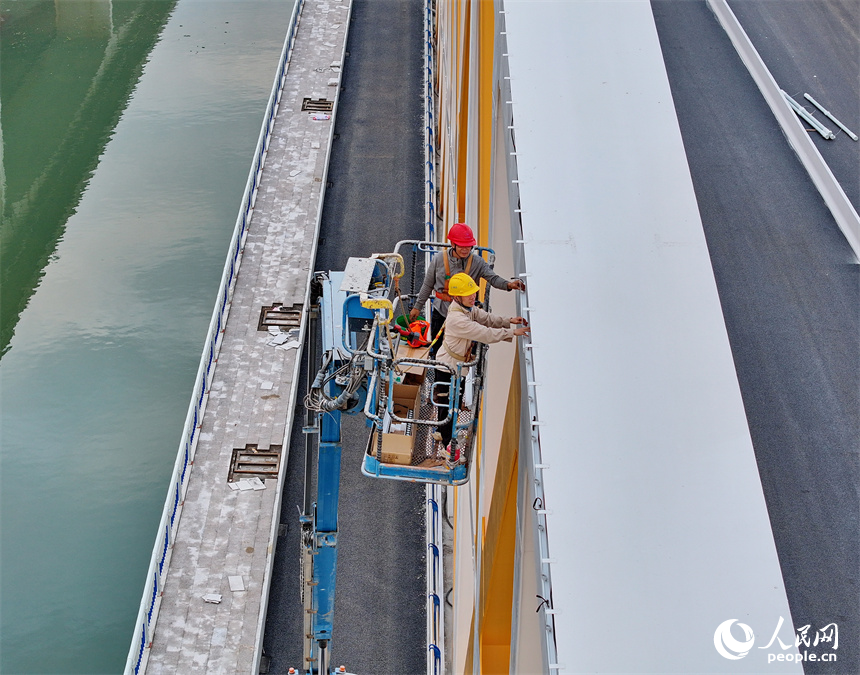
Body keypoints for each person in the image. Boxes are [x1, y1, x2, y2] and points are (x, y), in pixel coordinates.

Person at [433, 273, 530, 466]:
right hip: (448, 367)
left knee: (453, 403)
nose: (472, 297)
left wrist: (509, 320)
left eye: (472, 293)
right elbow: (484, 333)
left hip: (455, 367)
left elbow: (486, 318)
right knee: (449, 407)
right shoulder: (457, 319)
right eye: (468, 294)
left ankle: (441, 433)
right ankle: (446, 447)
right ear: (456, 297)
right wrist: (512, 332)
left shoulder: (467, 309)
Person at [409, 223, 525, 355]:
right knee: (438, 351)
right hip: (441, 313)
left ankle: (461, 375)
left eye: (468, 246)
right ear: (453, 244)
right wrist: (417, 307)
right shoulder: (439, 259)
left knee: (465, 353)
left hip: (466, 315)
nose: (466, 250)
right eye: (462, 246)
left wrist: (508, 285)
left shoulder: (477, 262)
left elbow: (492, 278)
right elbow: (427, 284)